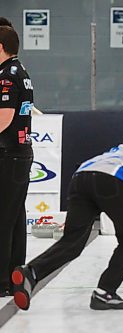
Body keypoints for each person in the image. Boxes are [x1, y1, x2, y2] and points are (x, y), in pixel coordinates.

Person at [11, 134, 123, 311]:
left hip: (81, 177)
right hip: (109, 180)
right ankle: (105, 292)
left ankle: (31, 272)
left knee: (72, 242)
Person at [0, 25, 34, 298]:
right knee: (13, 217)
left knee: (4, 218)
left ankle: (2, 280)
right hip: (17, 153)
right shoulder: (17, 70)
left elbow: (4, 118)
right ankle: (14, 275)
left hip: (9, 153)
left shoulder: (7, 75)